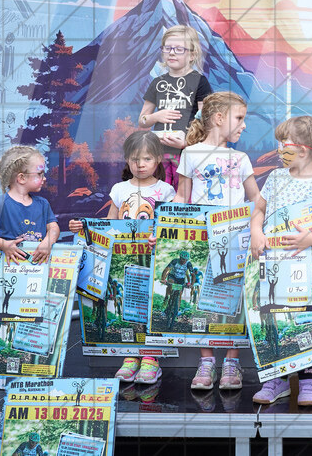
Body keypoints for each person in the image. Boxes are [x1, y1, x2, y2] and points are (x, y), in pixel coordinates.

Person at [249, 116, 312, 406]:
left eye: (284, 143)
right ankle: (277, 379)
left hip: (309, 265)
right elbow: (259, 211)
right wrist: (256, 232)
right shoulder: (276, 178)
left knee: (307, 319)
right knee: (276, 317)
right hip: (275, 265)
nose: (279, 149)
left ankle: (307, 378)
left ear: (303, 150)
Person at [69, 130, 175, 387]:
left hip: (150, 259)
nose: (140, 165)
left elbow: (168, 228)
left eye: (147, 159)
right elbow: (109, 224)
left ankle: (151, 358)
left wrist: (158, 240)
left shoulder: (166, 190)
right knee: (129, 304)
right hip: (123, 261)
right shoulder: (119, 189)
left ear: (158, 159)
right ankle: (130, 355)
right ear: (127, 160)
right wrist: (84, 228)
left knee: (151, 304)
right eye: (135, 159)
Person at [174, 92, 260, 392]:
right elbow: (181, 198)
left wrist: (268, 223)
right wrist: (162, 228)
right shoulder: (190, 154)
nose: (244, 126)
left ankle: (232, 361)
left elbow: (256, 200)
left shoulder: (240, 158)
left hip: (236, 241)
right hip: (201, 241)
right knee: (204, 302)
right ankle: (207, 360)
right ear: (219, 118)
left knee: (233, 302)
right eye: (239, 118)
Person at [138, 25, 213, 189]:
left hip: (187, 153)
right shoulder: (157, 83)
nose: (171, 53)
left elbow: (206, 120)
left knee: (185, 195)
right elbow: (142, 120)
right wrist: (155, 117)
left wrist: (187, 143)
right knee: (160, 192)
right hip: (159, 153)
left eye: (179, 49)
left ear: (192, 54)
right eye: (168, 48)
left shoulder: (199, 82)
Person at [0, 146, 60, 264]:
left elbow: (53, 227)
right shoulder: (0, 204)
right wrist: (4, 245)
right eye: (39, 174)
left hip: (38, 270)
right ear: (22, 178)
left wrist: (48, 242)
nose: (44, 178)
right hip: (8, 269)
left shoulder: (43, 204)